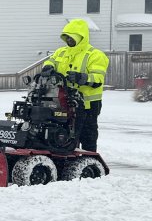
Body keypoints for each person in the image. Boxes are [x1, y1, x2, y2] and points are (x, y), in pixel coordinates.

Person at [41, 19, 109, 152]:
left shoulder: (95, 55)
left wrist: (82, 78)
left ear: (80, 37)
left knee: (87, 137)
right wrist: (48, 67)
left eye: (71, 37)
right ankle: (65, 158)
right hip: (63, 102)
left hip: (87, 105)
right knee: (63, 136)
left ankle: (88, 161)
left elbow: (98, 78)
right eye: (66, 37)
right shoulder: (61, 52)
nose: (68, 40)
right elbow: (50, 61)